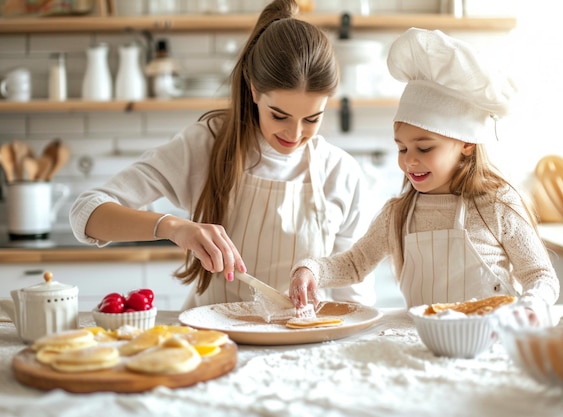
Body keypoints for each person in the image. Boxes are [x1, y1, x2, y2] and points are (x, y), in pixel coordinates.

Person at [70, 0, 376, 309]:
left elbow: (353, 296)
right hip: (213, 343)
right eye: (279, 116)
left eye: (312, 119)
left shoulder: (340, 172)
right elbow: (86, 214)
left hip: (304, 347)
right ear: (254, 89)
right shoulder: (206, 144)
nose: (295, 135)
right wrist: (174, 227)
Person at [289, 28, 560, 313]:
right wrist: (311, 270)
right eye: (402, 149)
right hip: (423, 344)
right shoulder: (398, 214)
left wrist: (531, 307)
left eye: (425, 148)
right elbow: (355, 264)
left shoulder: (497, 205)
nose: (409, 162)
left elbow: (540, 276)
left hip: (488, 343)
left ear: (466, 144)